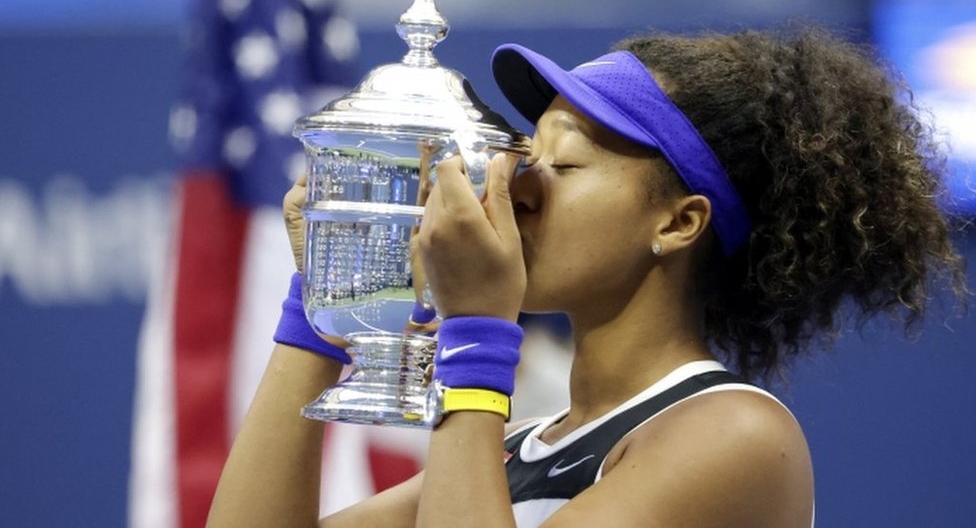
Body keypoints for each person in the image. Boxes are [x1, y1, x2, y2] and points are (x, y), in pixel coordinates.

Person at [206, 27, 965, 527]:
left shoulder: (735, 434)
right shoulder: (515, 446)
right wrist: (330, 298)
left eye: (562, 163)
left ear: (678, 222)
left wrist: (478, 333)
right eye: (523, 157)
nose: (519, 189)